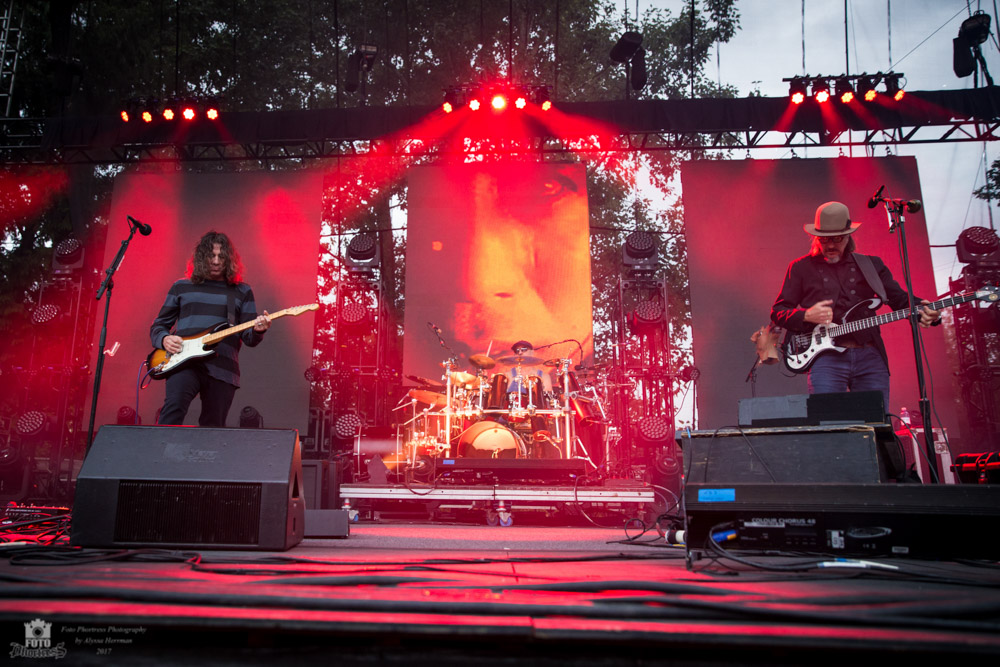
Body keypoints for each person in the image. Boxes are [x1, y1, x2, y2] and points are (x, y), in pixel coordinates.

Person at [770, 201, 939, 407]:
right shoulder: (800, 268)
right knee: (828, 424)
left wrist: (927, 311)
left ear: (849, 235)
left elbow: (900, 300)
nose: (830, 245)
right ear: (816, 238)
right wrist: (805, 316)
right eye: (824, 239)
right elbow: (778, 312)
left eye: (837, 239)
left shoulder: (870, 265)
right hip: (826, 359)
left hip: (869, 355)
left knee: (875, 425)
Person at [150, 231, 271, 427]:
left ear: (229, 260)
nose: (215, 261)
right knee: (172, 413)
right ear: (201, 257)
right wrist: (164, 339)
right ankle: (158, 456)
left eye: (221, 257)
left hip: (222, 368)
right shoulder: (181, 287)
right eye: (211, 256)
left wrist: (259, 330)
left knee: (213, 427)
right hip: (183, 363)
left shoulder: (241, 291)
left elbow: (249, 338)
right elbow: (159, 325)